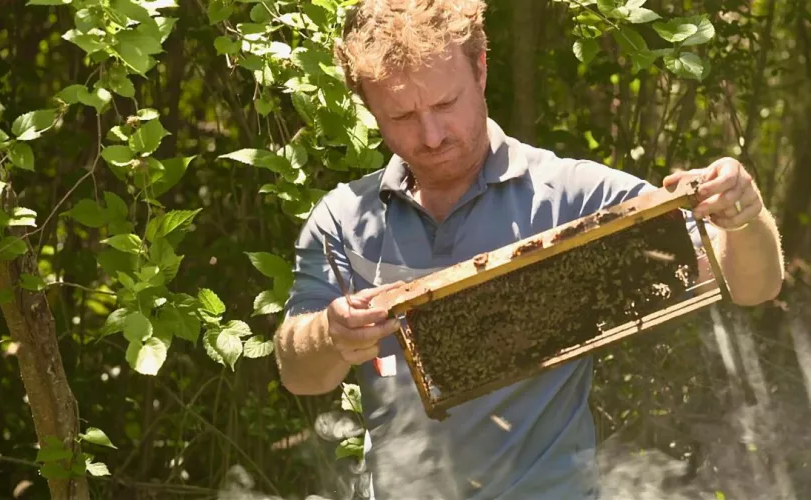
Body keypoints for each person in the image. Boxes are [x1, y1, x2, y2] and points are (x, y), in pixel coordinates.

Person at [272, 1, 785, 498]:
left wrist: (744, 214)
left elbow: (753, 285)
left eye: (445, 104)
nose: (430, 135)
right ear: (369, 106)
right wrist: (330, 333)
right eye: (402, 116)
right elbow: (299, 374)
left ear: (480, 69)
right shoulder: (343, 218)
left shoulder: (571, 195)